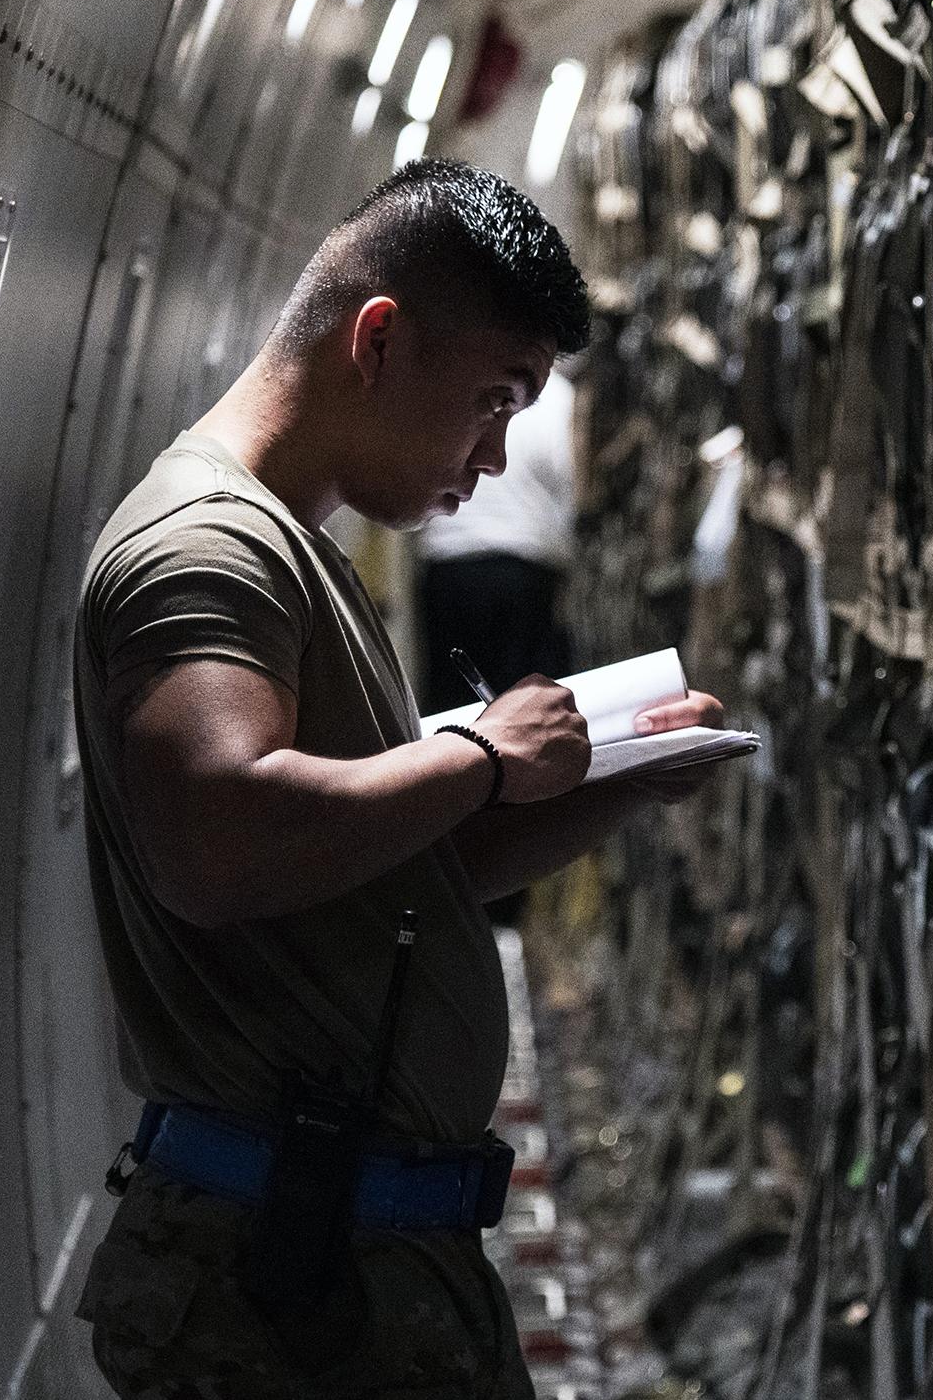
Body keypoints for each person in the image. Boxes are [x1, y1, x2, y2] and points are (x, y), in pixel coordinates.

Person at [69, 158, 723, 1399]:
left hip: (346, 1263)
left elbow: (392, 872)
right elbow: (216, 843)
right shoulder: (207, 549)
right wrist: (476, 754)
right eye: (491, 398)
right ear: (379, 340)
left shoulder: (291, 552)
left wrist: (619, 782)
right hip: (283, 1279)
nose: (494, 456)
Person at [414, 361, 579, 716]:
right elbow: (569, 481)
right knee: (525, 702)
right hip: (522, 562)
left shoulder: (466, 380)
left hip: (448, 558)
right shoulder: (558, 398)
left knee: (451, 702)